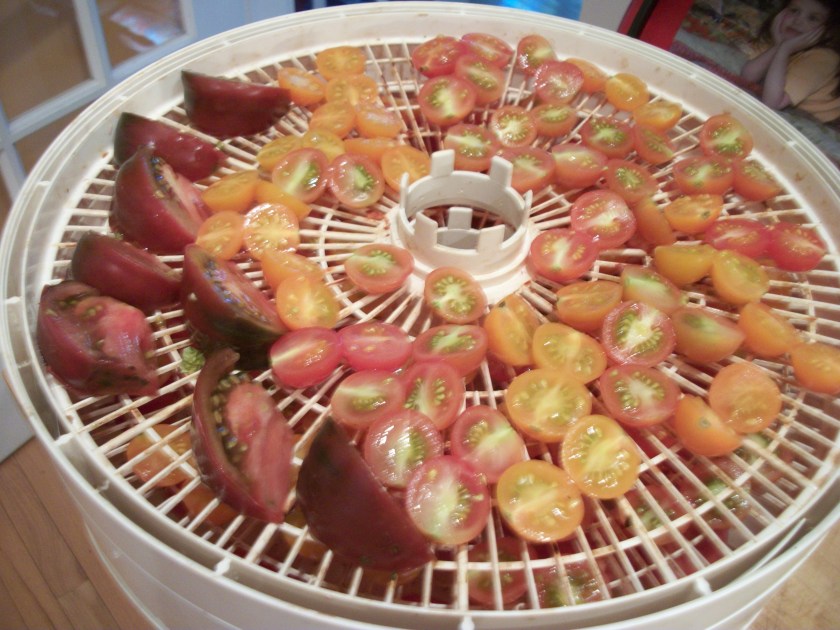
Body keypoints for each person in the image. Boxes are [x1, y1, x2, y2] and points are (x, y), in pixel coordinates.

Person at [740, 0, 840, 124]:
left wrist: (784, 49)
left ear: (828, 31)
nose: (797, 21)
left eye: (813, 18)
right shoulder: (784, 39)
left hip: (820, 121)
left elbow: (772, 103)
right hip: (785, 104)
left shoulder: (824, 58)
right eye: (794, 11)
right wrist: (779, 45)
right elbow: (748, 76)